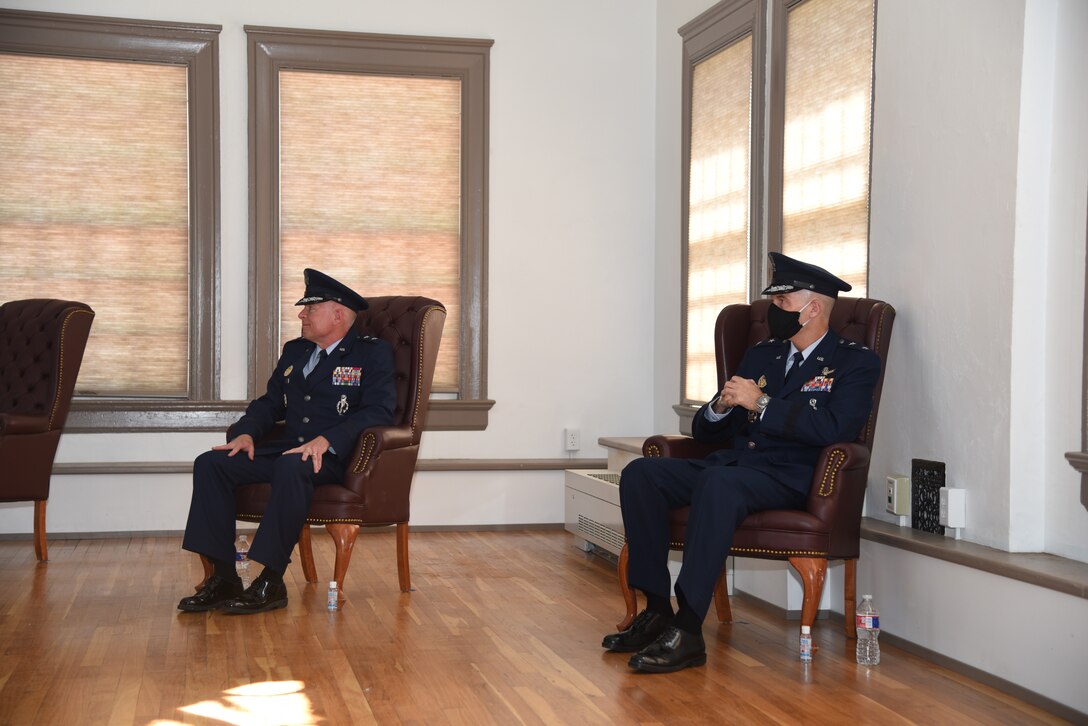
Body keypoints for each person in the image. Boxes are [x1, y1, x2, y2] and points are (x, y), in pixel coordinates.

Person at [603, 252, 881, 672]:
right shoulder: (762, 355)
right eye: (774, 304)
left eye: (783, 304)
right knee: (642, 473)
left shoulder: (854, 361)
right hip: (734, 465)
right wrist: (719, 406)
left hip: (791, 476)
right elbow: (705, 431)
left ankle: (690, 628)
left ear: (814, 308)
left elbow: (834, 429)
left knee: (719, 485)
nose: (774, 312)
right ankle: (658, 610)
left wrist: (762, 403)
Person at [178, 269, 396, 614]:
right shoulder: (295, 351)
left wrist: (327, 439)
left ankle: (271, 582)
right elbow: (270, 402)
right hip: (286, 449)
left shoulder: (371, 354)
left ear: (338, 313)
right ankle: (223, 578)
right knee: (212, 463)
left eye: (310, 309)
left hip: (334, 458)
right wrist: (247, 432)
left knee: (292, 465)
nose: (301, 315)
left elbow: (379, 411)